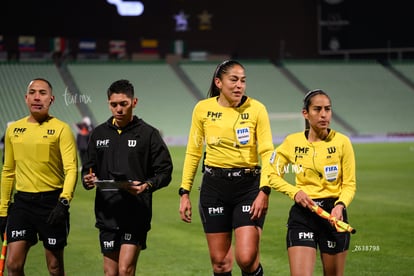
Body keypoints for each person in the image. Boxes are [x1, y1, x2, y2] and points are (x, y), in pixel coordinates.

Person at [178, 60, 274, 276]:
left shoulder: (257, 109)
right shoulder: (202, 109)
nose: (239, 85)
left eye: (243, 80)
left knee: (247, 258)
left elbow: (268, 152)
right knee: (220, 263)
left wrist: (264, 190)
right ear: (219, 82)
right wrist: (184, 192)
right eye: (234, 79)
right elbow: (193, 152)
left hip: (248, 188)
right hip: (214, 189)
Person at [82, 79, 173, 276]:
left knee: (125, 270)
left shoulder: (148, 134)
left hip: (136, 212)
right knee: (110, 273)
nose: (119, 109)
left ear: (134, 102)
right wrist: (87, 180)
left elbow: (165, 171)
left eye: (124, 104)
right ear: (108, 104)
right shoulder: (98, 134)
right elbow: (88, 169)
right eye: (114, 104)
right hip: (107, 213)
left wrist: (146, 185)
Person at [267, 89, 356, 276]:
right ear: (305, 113)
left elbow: (349, 184)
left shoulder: (342, 142)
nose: (323, 114)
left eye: (327, 109)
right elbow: (272, 174)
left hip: (333, 216)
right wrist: (294, 192)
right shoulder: (292, 142)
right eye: (317, 109)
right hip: (303, 215)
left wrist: (340, 206)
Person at [0, 78, 78, 275]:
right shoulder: (13, 130)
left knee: (54, 267)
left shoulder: (61, 129)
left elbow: (71, 169)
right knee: (13, 265)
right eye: (33, 92)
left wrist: (64, 202)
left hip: (51, 203)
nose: (37, 97)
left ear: (51, 99)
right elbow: (8, 171)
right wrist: (2, 210)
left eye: (42, 93)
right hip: (22, 203)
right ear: (26, 98)